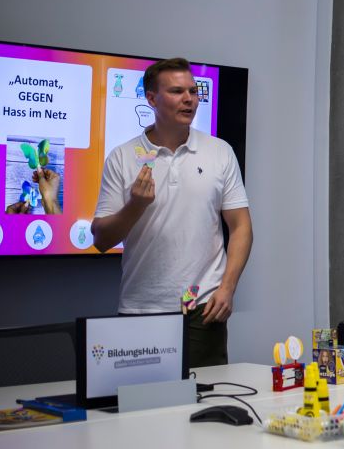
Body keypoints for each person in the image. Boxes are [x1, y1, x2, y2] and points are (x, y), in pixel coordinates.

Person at [93, 58, 251, 368]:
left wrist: (228, 288)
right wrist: (135, 206)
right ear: (151, 99)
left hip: (202, 307)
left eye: (193, 91)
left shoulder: (220, 151)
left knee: (206, 404)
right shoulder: (122, 157)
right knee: (139, 406)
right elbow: (101, 239)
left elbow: (241, 226)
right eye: (177, 91)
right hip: (141, 308)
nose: (189, 98)